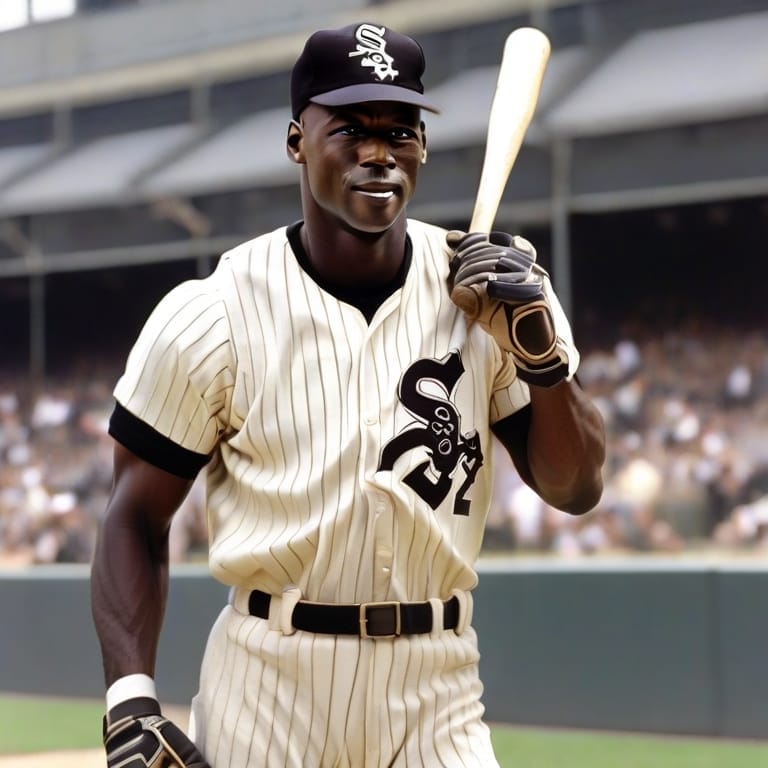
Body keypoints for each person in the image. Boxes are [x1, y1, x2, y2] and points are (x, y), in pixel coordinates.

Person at [91, 20, 606, 768]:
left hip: (437, 686)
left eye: (400, 131)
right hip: (270, 683)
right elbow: (134, 516)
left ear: (422, 150)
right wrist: (130, 699)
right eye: (350, 129)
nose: (378, 152)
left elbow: (577, 487)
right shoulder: (215, 311)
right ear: (298, 140)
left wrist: (539, 354)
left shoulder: (500, 290)